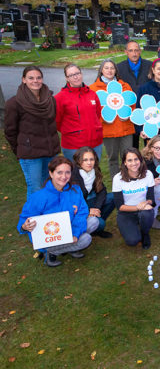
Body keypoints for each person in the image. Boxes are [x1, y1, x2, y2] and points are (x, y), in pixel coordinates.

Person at [18, 156, 98, 267]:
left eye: (67, 172)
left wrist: (75, 233)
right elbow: (23, 221)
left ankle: (70, 246)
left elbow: (82, 212)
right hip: (50, 236)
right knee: (85, 239)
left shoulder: (75, 190)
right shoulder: (38, 197)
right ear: (51, 173)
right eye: (59, 172)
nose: (64, 177)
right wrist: (24, 226)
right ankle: (50, 252)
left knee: (94, 221)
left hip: (69, 228)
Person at [4, 66, 60, 197]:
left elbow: (53, 123)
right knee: (35, 189)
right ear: (24, 80)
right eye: (31, 78)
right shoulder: (14, 103)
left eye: (38, 77)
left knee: (51, 185)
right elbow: (10, 131)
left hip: (50, 152)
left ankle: (50, 216)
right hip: (30, 155)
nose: (35, 81)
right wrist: (20, 149)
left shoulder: (50, 99)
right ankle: (35, 216)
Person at [89, 59, 135, 178]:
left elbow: (133, 105)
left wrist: (129, 115)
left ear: (116, 70)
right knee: (113, 158)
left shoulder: (125, 86)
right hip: (108, 130)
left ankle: (130, 180)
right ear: (101, 71)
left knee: (129, 157)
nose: (109, 70)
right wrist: (103, 119)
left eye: (112, 68)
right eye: (106, 68)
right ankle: (116, 182)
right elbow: (92, 112)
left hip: (126, 129)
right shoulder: (94, 89)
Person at [55, 63, 103, 161]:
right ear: (67, 78)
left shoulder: (92, 94)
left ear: (81, 74)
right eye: (71, 75)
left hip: (95, 143)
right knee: (76, 174)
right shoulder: (59, 98)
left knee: (94, 173)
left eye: (77, 73)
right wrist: (74, 132)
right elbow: (57, 122)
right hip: (73, 146)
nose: (76, 77)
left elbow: (97, 114)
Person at [112, 148, 155, 249]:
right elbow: (120, 207)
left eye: (136, 159)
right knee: (132, 241)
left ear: (140, 160)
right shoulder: (118, 178)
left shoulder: (148, 174)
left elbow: (151, 199)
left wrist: (146, 203)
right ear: (125, 163)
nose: (134, 163)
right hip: (126, 212)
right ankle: (134, 227)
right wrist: (137, 207)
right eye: (129, 160)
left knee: (147, 212)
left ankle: (145, 234)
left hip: (144, 210)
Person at [71, 146, 115, 238]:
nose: (89, 163)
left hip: (88, 202)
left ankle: (96, 220)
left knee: (113, 197)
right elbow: (72, 202)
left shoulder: (94, 171)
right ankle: (95, 226)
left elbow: (102, 191)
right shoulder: (73, 175)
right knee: (101, 224)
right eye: (85, 160)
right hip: (77, 208)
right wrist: (88, 211)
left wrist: (97, 208)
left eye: (91, 159)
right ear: (79, 161)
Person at [117, 41, 152, 150]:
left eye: (136, 50)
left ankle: (150, 164)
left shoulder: (149, 65)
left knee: (150, 143)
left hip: (147, 109)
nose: (134, 53)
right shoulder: (119, 68)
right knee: (132, 145)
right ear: (126, 52)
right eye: (131, 51)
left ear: (140, 51)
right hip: (129, 110)